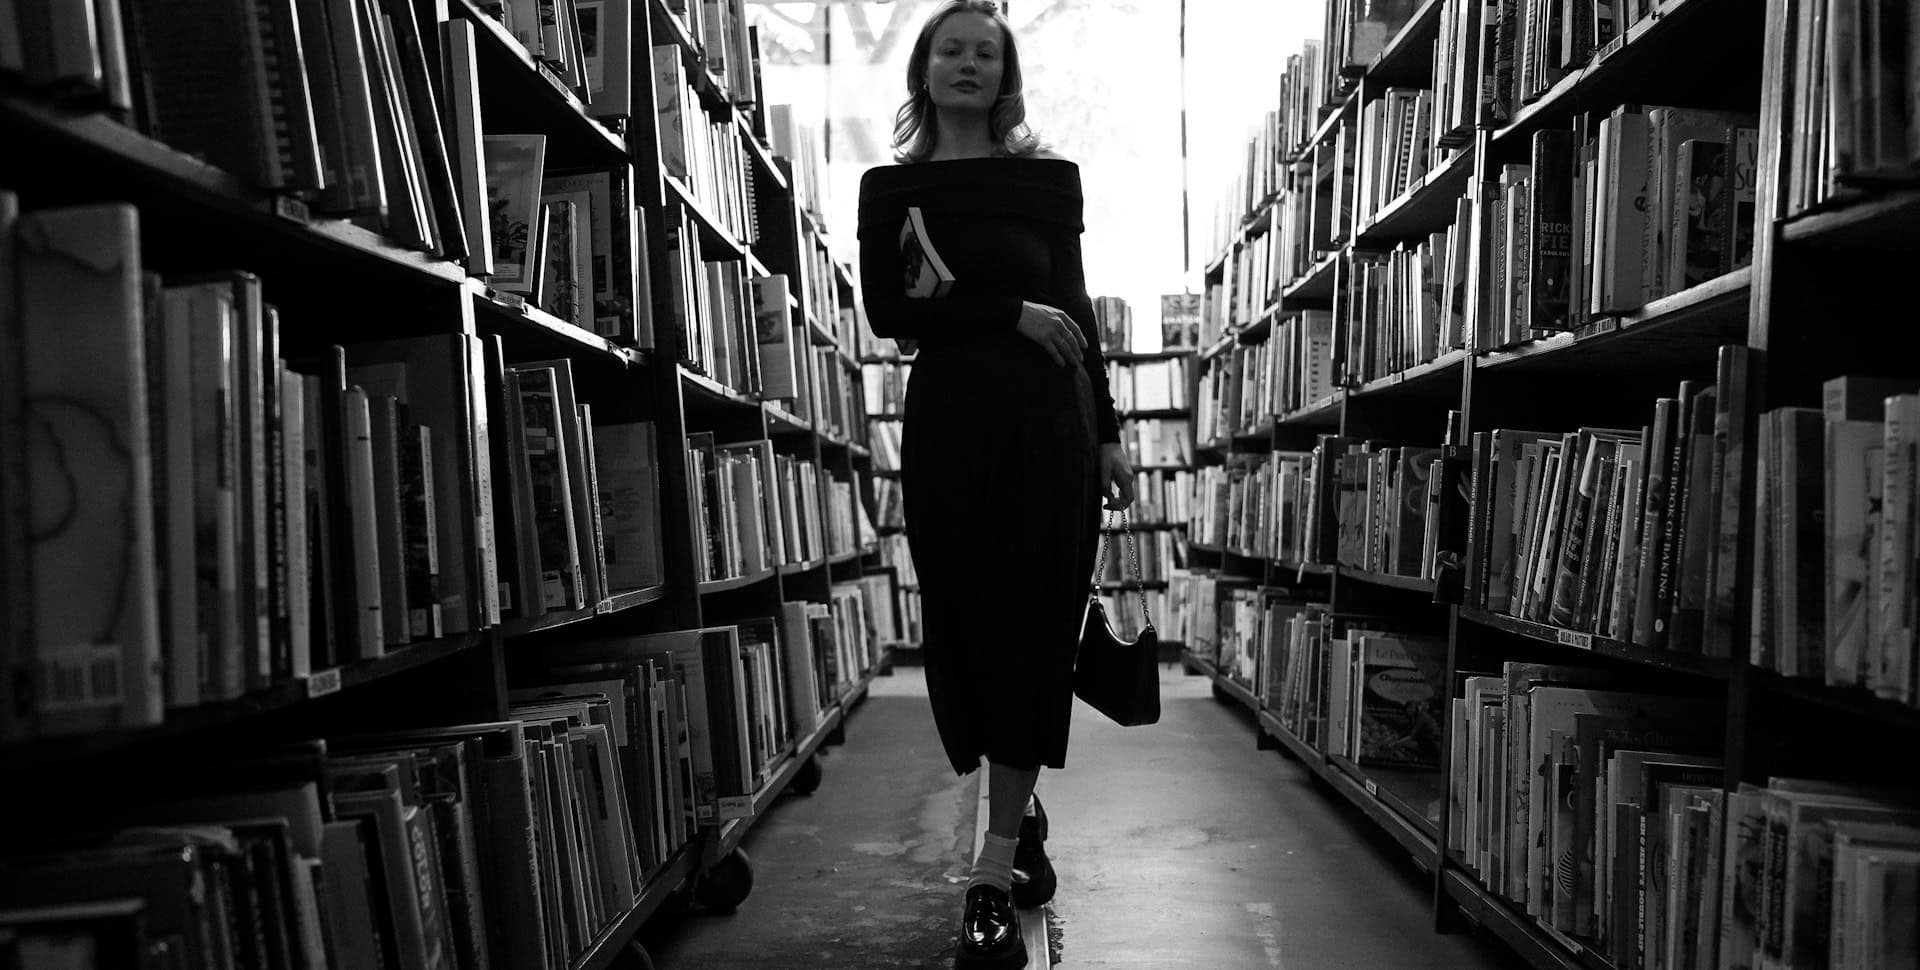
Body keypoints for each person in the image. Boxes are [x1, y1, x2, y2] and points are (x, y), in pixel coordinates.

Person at [855, 3, 1133, 967]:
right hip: (948, 427)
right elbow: (891, 315)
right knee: (967, 629)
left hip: (1050, 428)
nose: (968, 63)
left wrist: (1111, 430)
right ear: (924, 70)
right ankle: (1018, 804)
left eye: (986, 51)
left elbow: (1081, 307)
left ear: (1006, 72)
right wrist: (1007, 311)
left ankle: (993, 863)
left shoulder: (1048, 180)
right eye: (951, 50)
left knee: (1031, 627)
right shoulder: (891, 189)